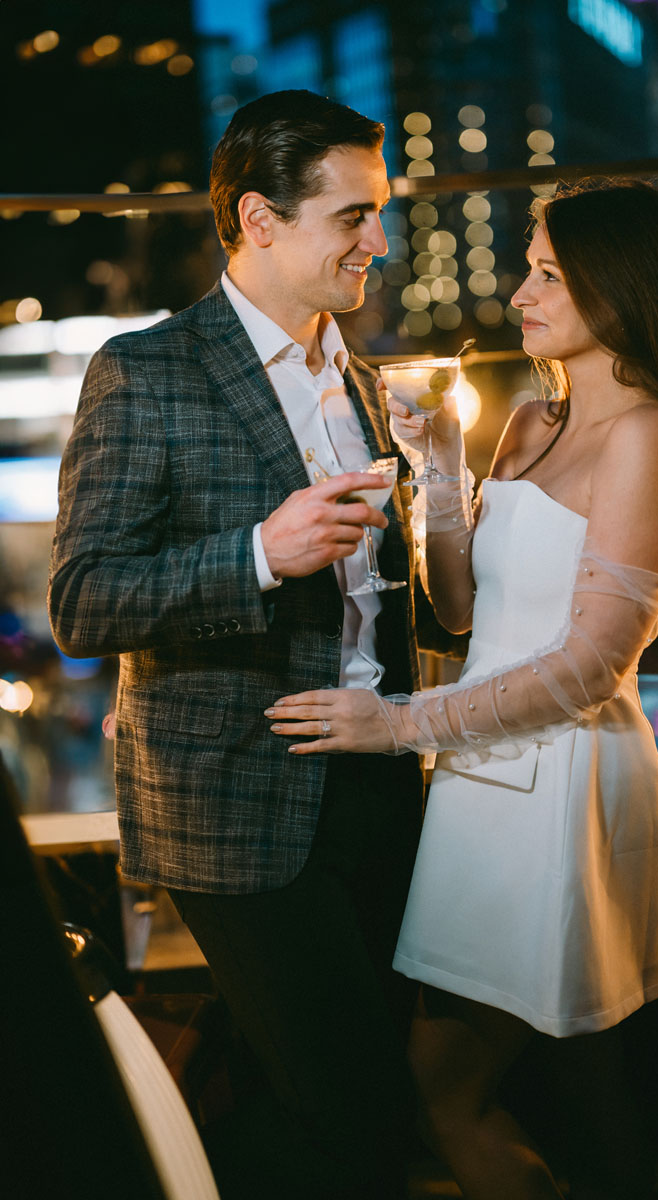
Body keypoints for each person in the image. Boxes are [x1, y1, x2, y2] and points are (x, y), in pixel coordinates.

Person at [267, 179, 658, 1198]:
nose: (519, 291)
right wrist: (440, 469)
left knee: (447, 1086)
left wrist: (393, 723)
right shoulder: (531, 418)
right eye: (528, 266)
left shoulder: (650, 441)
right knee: (576, 1084)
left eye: (546, 271)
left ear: (622, 287)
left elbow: (588, 667)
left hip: (563, 791)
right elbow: (459, 610)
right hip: (483, 781)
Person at [48, 90, 424, 1200]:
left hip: (374, 784)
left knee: (314, 1104)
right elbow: (83, 600)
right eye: (353, 216)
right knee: (358, 1109)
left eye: (380, 213)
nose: (379, 240)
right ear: (258, 220)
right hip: (233, 807)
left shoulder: (360, 381)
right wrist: (260, 552)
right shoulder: (145, 369)